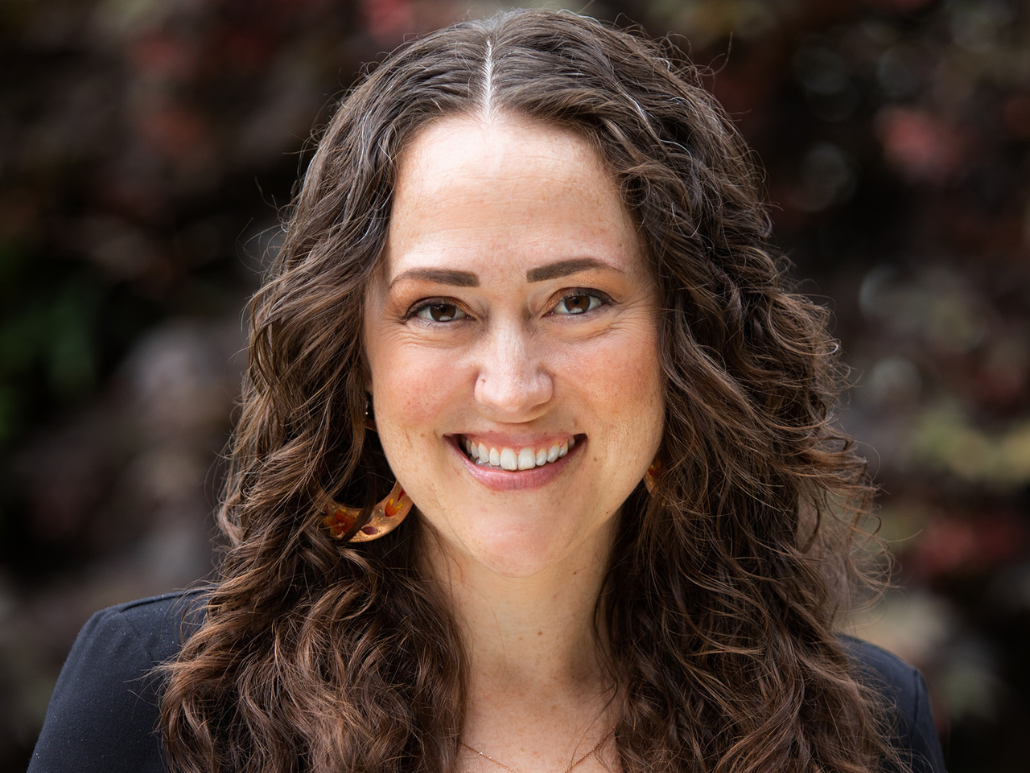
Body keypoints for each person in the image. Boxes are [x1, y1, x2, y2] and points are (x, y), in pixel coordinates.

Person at [29, 8, 946, 773]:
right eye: (439, 309)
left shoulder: (857, 729)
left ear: (688, 333)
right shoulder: (155, 707)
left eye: (577, 300)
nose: (512, 389)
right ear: (353, 351)